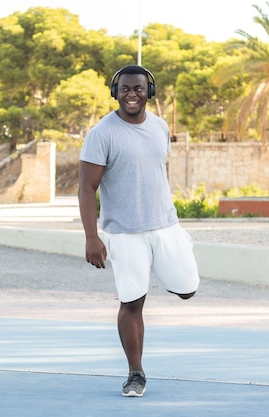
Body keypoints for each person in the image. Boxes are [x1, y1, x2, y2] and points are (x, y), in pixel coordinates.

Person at [78, 65, 200, 397]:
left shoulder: (160, 127)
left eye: (139, 89)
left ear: (150, 91)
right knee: (132, 302)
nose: (132, 95)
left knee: (188, 289)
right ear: (115, 91)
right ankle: (136, 373)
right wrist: (92, 236)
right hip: (124, 233)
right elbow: (87, 188)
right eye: (126, 89)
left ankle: (165, 270)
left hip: (166, 226)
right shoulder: (102, 133)